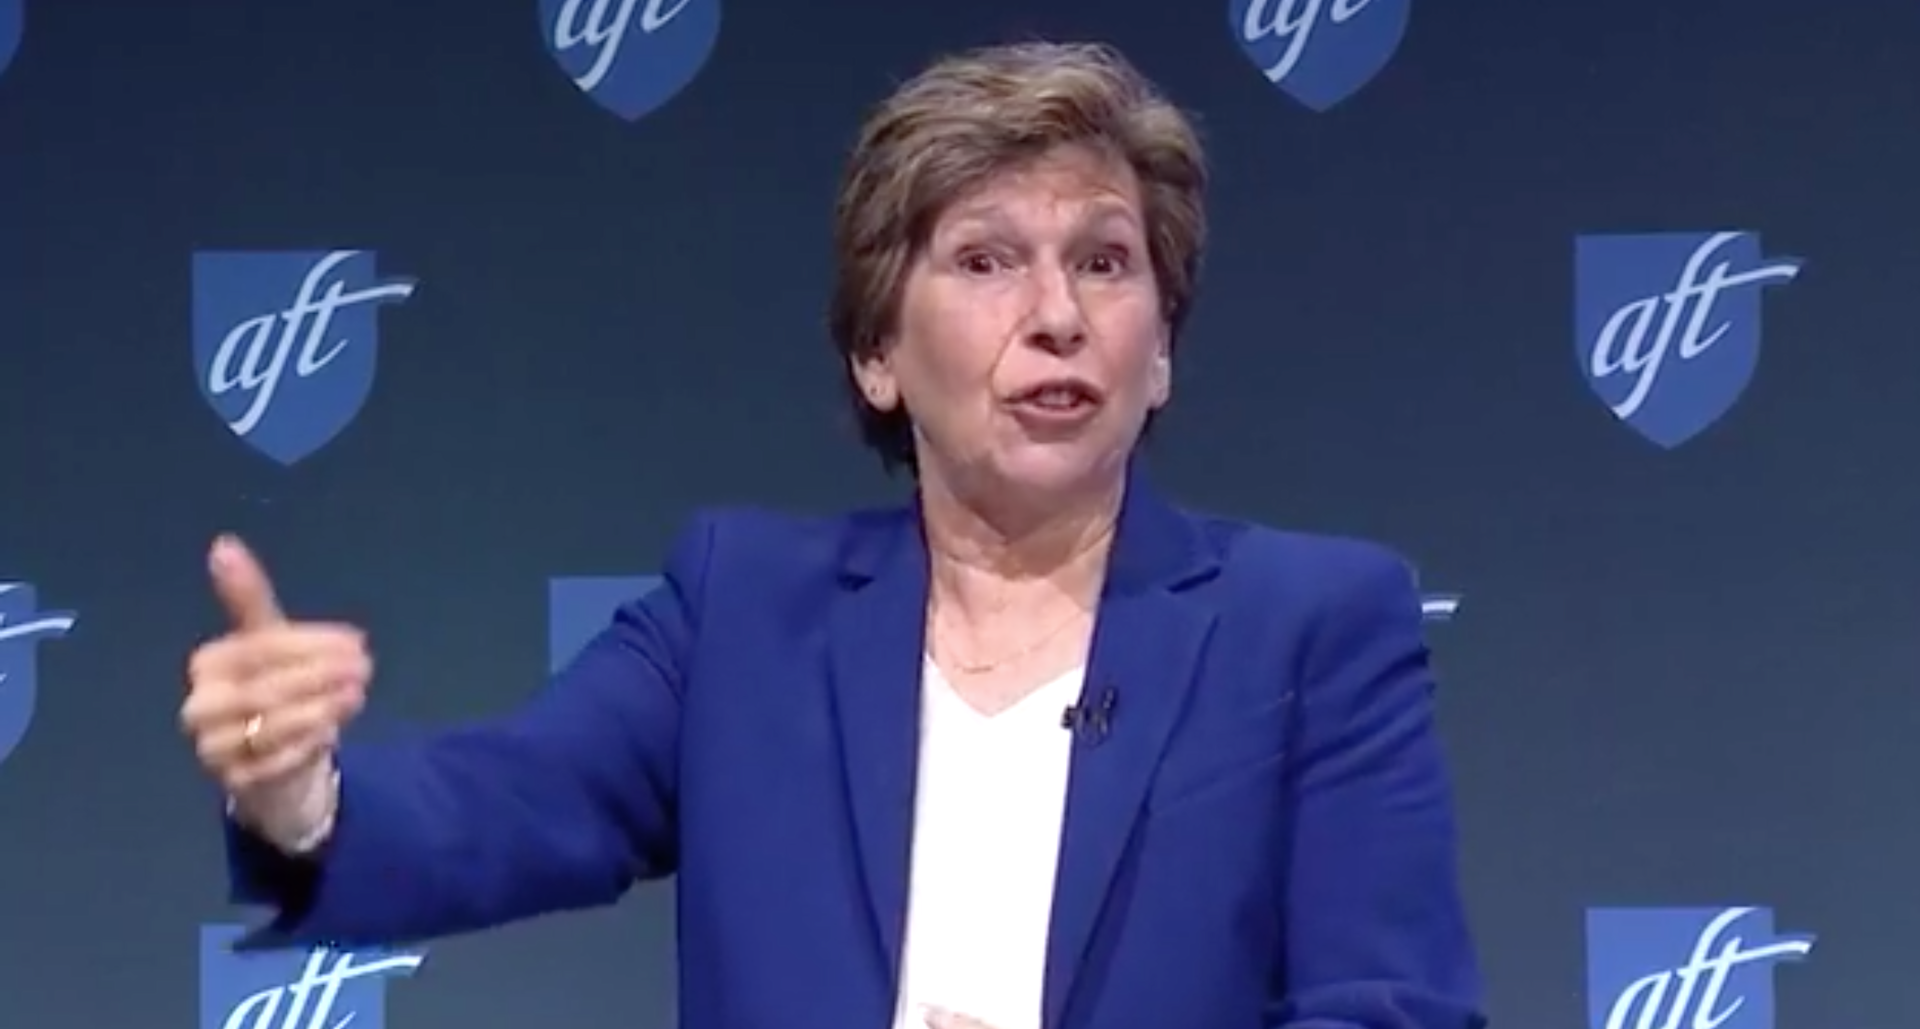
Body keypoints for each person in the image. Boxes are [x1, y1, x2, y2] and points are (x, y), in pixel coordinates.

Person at [180, 40, 1487, 1029]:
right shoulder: (743, 610)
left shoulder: (1309, 625)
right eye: (984, 261)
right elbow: (502, 807)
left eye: (1104, 261)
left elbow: (1391, 1006)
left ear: (1159, 356)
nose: (1058, 315)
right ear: (877, 352)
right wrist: (296, 791)